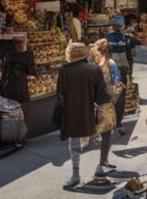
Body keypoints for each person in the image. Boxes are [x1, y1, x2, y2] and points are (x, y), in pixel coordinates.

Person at [56, 42, 110, 189]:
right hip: (90, 111)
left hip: (71, 111)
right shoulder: (94, 69)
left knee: (74, 144)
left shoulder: (64, 70)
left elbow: (60, 95)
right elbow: (102, 95)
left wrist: (58, 116)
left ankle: (75, 175)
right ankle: (97, 173)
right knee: (95, 141)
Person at [91, 39, 124, 177]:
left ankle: (104, 161)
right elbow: (118, 84)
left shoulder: (93, 65)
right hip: (106, 103)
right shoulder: (110, 64)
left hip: (95, 103)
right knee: (106, 135)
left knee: (103, 134)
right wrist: (113, 101)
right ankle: (101, 164)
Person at [1, 36, 35, 103]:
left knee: (10, 103)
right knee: (21, 103)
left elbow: (4, 69)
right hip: (21, 83)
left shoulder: (8, 53)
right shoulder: (28, 55)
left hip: (9, 83)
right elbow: (31, 72)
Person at [106, 15, 136, 85]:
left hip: (112, 65)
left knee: (113, 85)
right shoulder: (127, 38)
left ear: (113, 26)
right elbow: (131, 56)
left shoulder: (108, 38)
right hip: (123, 66)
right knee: (123, 85)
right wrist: (130, 73)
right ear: (122, 26)